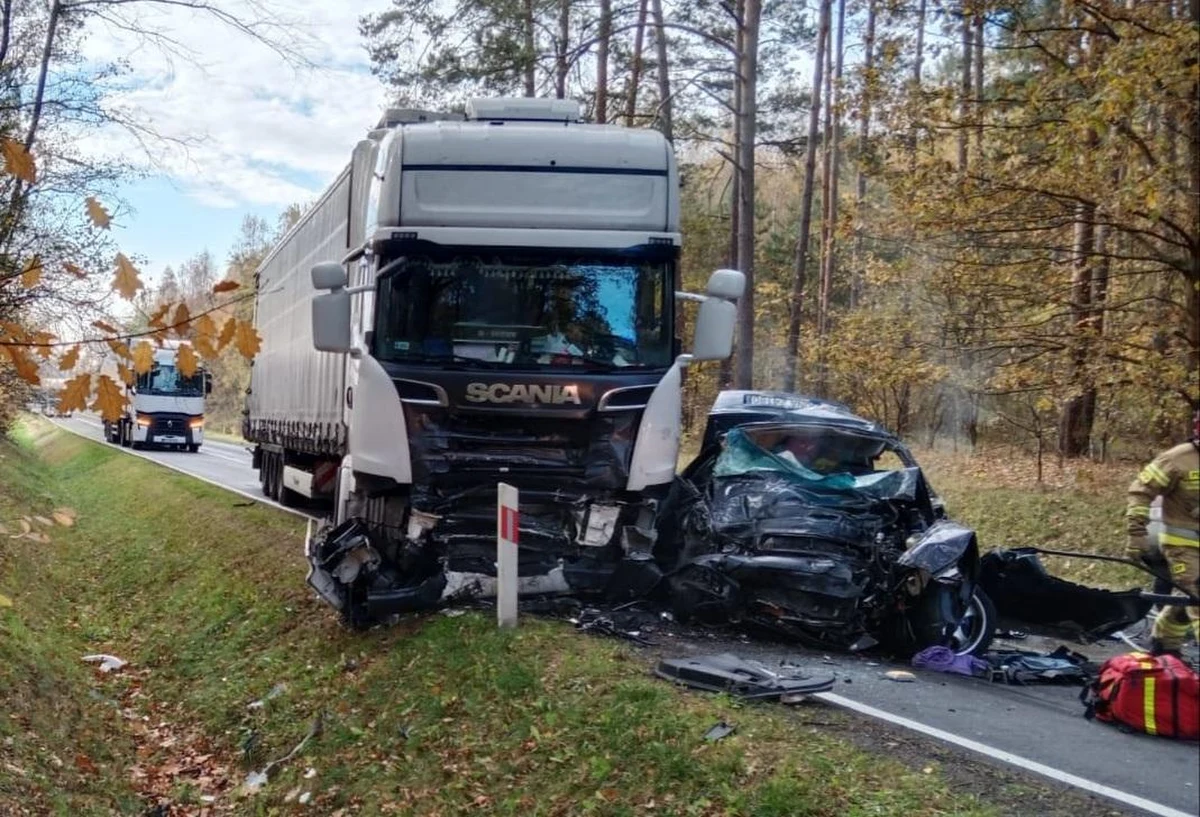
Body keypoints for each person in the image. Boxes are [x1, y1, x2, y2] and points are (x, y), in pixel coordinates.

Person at [1125, 410, 1200, 655]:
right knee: (1197, 593)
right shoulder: (1177, 459)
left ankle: (1163, 643)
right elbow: (1141, 491)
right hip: (1183, 544)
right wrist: (1137, 534)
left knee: (1186, 600)